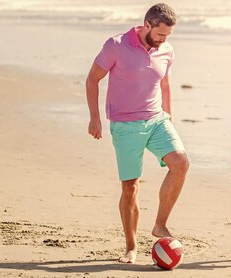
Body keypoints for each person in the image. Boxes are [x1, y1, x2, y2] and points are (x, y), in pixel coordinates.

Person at [85, 3, 189, 264]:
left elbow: (164, 83)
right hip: (125, 125)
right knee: (130, 187)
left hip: (157, 120)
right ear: (147, 25)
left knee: (181, 163)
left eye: (168, 36)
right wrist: (95, 117)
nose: (164, 40)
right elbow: (92, 79)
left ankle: (160, 225)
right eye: (161, 34)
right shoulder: (116, 45)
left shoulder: (166, 50)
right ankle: (131, 247)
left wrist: (169, 116)